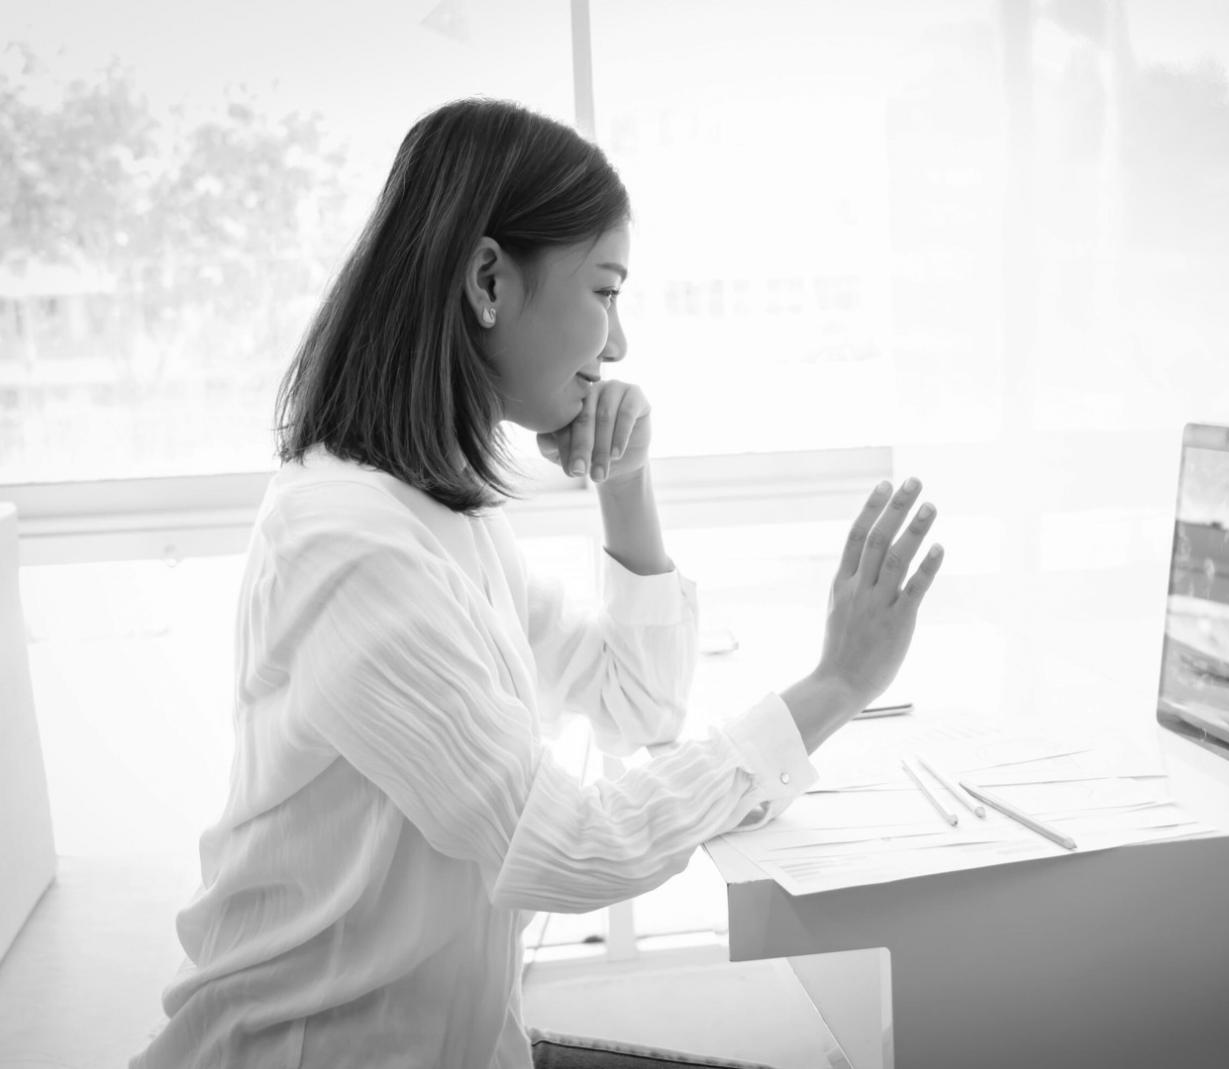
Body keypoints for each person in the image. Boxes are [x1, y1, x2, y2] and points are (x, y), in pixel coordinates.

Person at [130, 97, 943, 1069]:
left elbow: (638, 704)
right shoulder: (350, 545)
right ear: (487, 279)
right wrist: (834, 685)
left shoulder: (440, 518)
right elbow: (575, 847)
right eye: (605, 290)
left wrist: (627, 481)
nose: (618, 343)